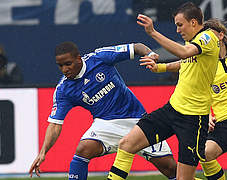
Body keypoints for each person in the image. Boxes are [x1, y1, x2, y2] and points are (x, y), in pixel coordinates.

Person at [141, 18, 227, 180]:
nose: (206, 38)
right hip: (224, 121)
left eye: (210, 34)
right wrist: (159, 67)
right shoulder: (204, 59)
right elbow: (183, 62)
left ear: (221, 35)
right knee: (204, 154)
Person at [28, 41, 177, 180]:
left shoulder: (100, 58)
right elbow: (55, 125)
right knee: (83, 149)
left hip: (138, 120)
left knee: (171, 169)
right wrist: (43, 152)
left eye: (68, 64)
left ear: (79, 59)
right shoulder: (63, 90)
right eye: (60, 66)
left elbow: (137, 47)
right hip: (106, 124)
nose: (64, 69)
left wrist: (150, 54)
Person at [107, 2, 220, 180]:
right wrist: (161, 68)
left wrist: (152, 32)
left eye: (179, 25)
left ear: (193, 22)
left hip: (193, 120)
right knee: (126, 144)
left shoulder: (207, 38)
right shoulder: (192, 41)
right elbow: (186, 63)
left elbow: (184, 53)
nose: (177, 30)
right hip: (172, 110)